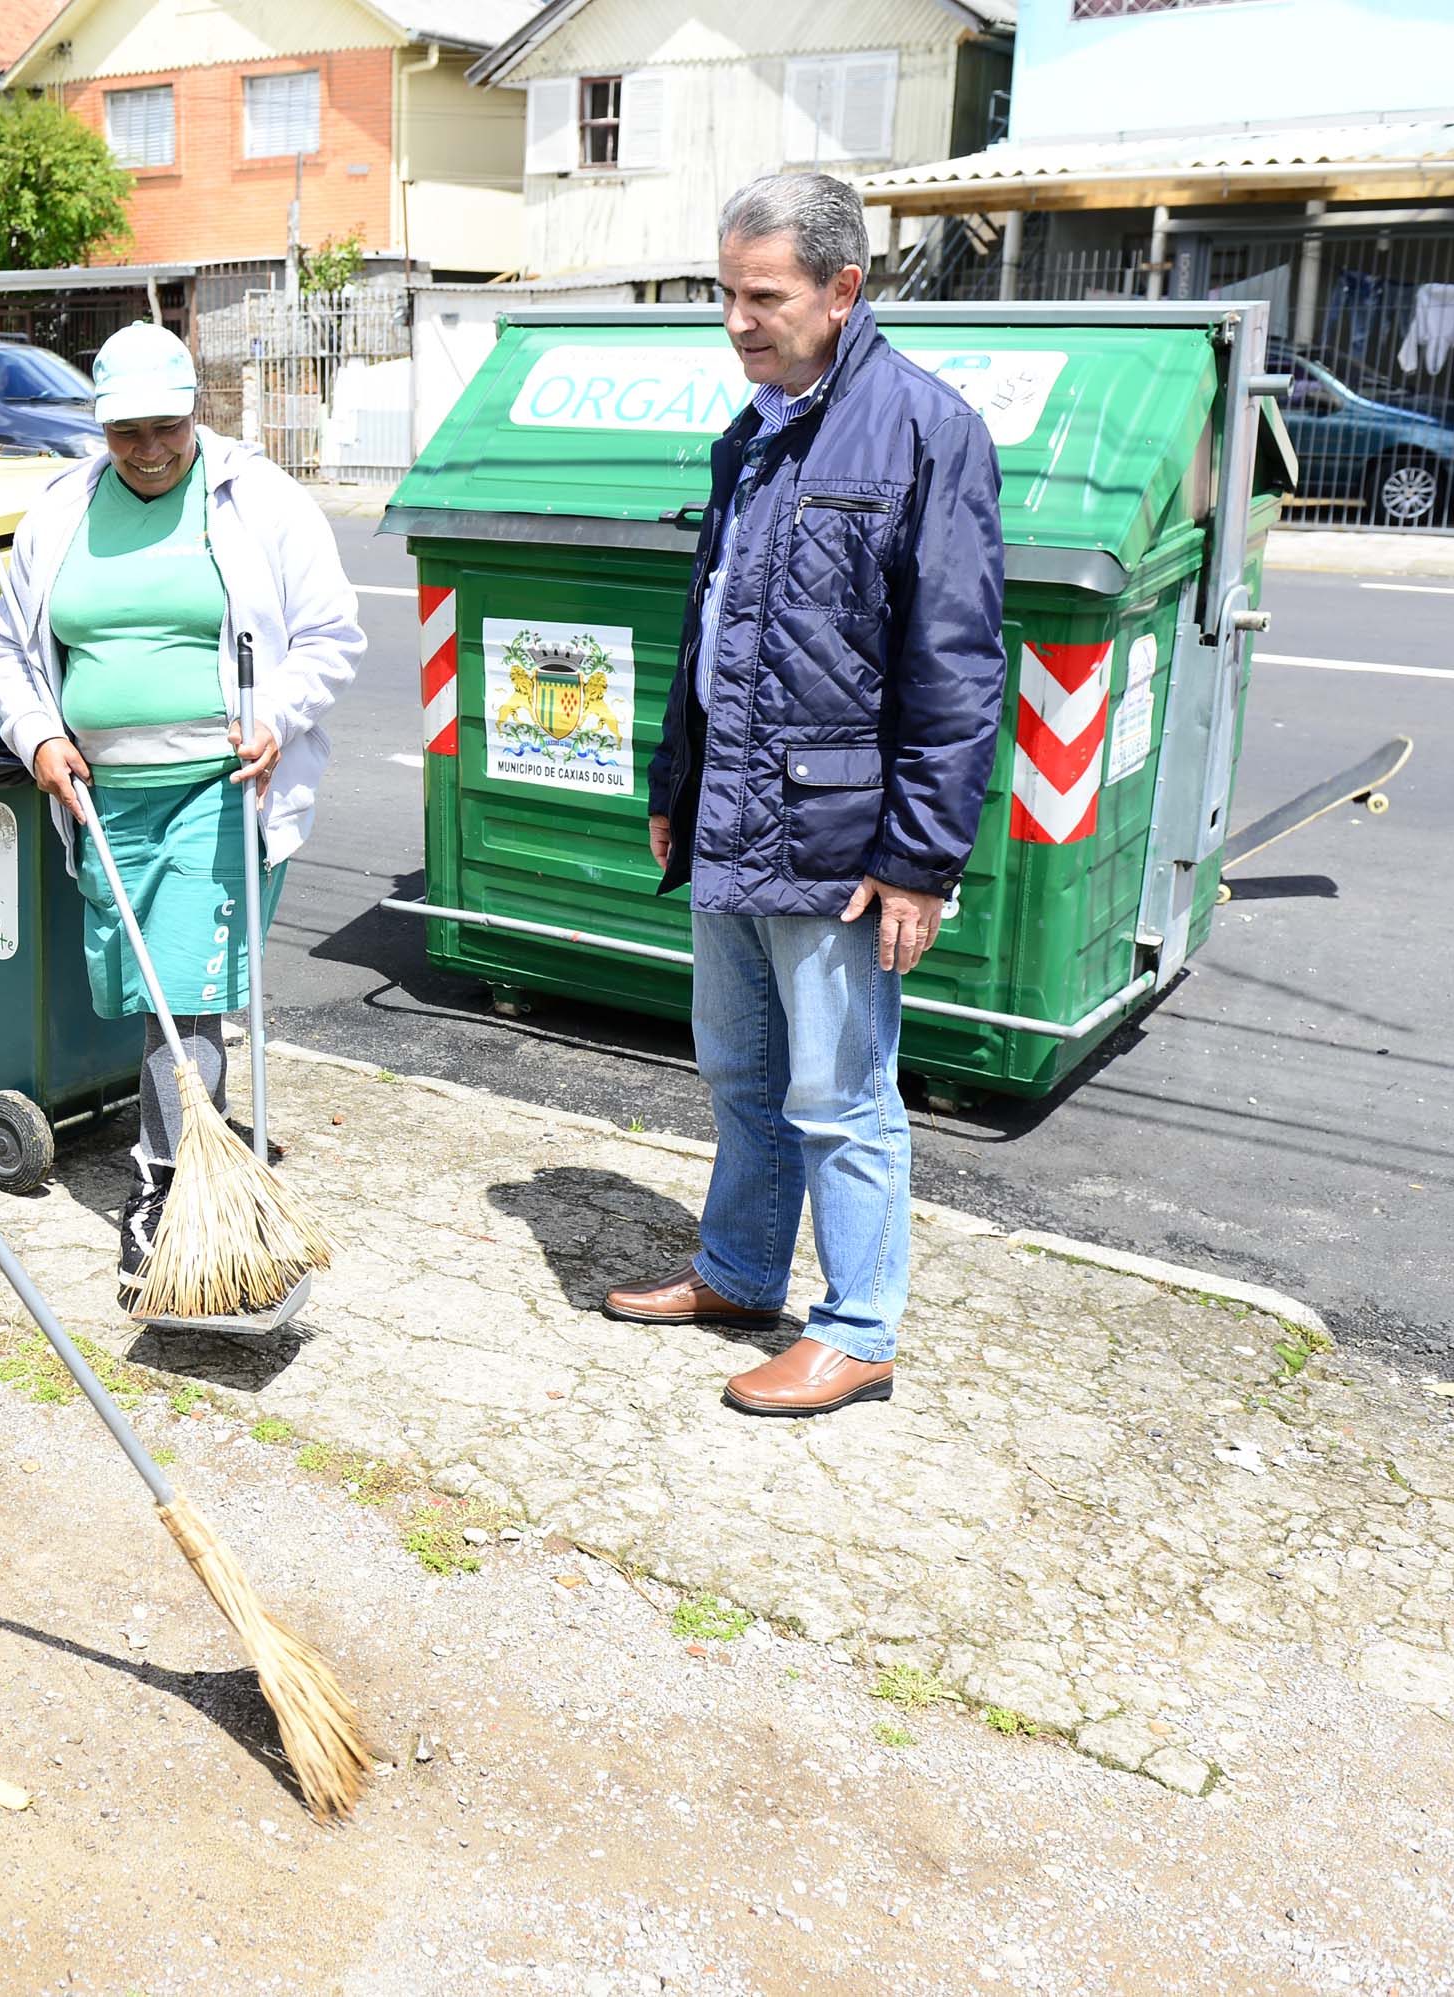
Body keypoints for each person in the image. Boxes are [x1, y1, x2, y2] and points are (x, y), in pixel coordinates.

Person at [605, 173, 1005, 1417]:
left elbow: (957, 665)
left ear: (844, 290)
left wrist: (922, 857)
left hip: (839, 839)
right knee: (740, 1068)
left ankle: (858, 1326)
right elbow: (712, 630)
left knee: (839, 1092)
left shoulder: (927, 432)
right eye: (723, 294)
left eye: (761, 296)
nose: (735, 321)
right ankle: (736, 1269)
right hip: (732, 812)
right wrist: (678, 778)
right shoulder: (758, 429)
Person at [0, 322, 361, 1296]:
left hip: (220, 786)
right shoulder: (64, 509)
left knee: (183, 991)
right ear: (99, 429)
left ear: (199, 410)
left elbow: (330, 632)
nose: (149, 449)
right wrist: (38, 736)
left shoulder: (257, 498)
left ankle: (171, 1195)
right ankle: (189, 1172)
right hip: (106, 795)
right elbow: (12, 652)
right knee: (141, 986)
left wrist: (276, 713)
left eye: (167, 426)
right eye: (126, 433)